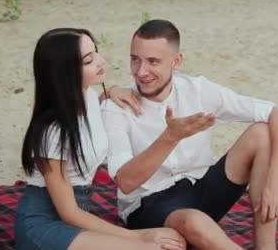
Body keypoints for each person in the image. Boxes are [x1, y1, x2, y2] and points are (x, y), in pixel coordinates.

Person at [102, 20, 278, 250]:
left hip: (200, 187)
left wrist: (275, 180)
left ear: (177, 61)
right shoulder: (116, 107)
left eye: (153, 61)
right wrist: (170, 137)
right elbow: (126, 181)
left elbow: (277, 114)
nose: (141, 72)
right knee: (193, 221)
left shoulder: (198, 90)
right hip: (148, 206)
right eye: (135, 59)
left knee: (262, 133)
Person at [14, 28, 185, 250]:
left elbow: (94, 106)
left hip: (78, 219)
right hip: (44, 226)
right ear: (65, 71)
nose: (101, 61)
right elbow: (68, 213)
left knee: (172, 238)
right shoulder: (53, 131)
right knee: (153, 248)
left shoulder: (87, 97)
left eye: (95, 52)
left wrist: (111, 91)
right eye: (88, 60)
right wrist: (136, 237)